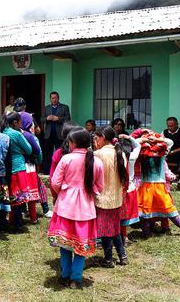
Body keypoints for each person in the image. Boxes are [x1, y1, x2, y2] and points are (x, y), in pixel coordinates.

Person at [48, 128, 104, 289]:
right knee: (81, 245)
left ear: (74, 143)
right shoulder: (97, 161)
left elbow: (55, 182)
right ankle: (76, 278)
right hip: (86, 210)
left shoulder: (66, 159)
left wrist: (63, 193)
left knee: (65, 243)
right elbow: (100, 186)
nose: (68, 144)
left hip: (65, 206)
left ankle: (65, 275)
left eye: (70, 141)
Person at [133, 129, 180, 237]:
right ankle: (147, 233)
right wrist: (150, 138)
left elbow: (170, 142)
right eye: (148, 138)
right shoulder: (149, 153)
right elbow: (169, 142)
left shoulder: (154, 153)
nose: (150, 140)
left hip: (152, 186)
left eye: (152, 138)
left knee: (159, 209)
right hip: (152, 186)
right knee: (153, 210)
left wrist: (150, 139)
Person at [93, 126, 129, 267]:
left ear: (102, 137)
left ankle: (108, 259)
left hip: (102, 198)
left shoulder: (98, 154)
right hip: (116, 197)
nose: (95, 141)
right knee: (114, 228)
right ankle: (122, 255)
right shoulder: (119, 152)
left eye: (96, 138)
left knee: (105, 229)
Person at [2, 112, 33, 231]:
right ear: (15, 122)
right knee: (18, 197)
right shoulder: (16, 134)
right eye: (20, 122)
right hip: (18, 166)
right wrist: (21, 150)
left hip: (6, 167)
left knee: (9, 195)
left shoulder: (3, 132)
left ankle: (10, 220)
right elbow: (29, 150)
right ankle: (18, 224)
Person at [18, 111, 43, 224]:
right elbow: (38, 151)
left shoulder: (15, 134)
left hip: (19, 166)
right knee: (31, 191)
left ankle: (18, 216)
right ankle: (33, 217)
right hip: (29, 165)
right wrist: (39, 162)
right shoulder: (28, 135)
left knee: (20, 191)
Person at [118, 134, 141, 245]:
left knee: (118, 216)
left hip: (117, 189)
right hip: (130, 188)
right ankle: (124, 237)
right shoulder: (131, 157)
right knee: (125, 216)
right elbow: (138, 146)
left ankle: (118, 237)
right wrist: (130, 137)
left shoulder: (115, 156)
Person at [49, 122, 80, 203]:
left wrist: (55, 195)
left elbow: (53, 179)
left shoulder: (58, 153)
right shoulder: (86, 154)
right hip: (81, 197)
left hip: (63, 196)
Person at [41, 92, 71, 174]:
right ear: (50, 99)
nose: (54, 99)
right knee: (47, 154)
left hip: (60, 134)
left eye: (56, 98)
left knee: (60, 153)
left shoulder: (64, 107)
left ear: (58, 98)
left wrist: (58, 118)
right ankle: (47, 172)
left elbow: (68, 119)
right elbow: (41, 119)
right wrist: (47, 118)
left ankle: (60, 171)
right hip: (48, 134)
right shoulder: (46, 108)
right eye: (52, 98)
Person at [163, 117, 180, 183]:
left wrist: (173, 151)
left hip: (178, 153)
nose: (170, 128)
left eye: (172, 126)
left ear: (177, 124)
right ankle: (162, 176)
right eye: (168, 126)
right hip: (168, 153)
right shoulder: (164, 132)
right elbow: (161, 144)